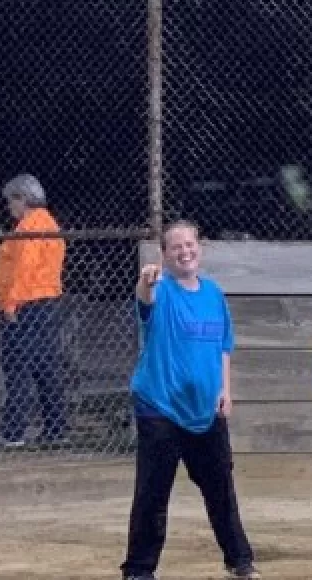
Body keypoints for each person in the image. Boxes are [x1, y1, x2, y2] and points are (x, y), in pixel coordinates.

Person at [120, 220, 259, 580]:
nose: (185, 252)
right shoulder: (161, 289)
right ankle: (139, 570)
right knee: (153, 492)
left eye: (190, 244)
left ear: (200, 247)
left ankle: (240, 561)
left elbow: (223, 346)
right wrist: (146, 281)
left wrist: (225, 390)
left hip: (205, 409)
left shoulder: (213, 294)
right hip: (160, 407)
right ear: (165, 254)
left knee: (221, 489)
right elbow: (145, 299)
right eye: (176, 247)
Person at [0, 173, 68, 447]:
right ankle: (56, 427)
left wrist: (11, 303)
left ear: (22, 199)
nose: (9, 207)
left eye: (11, 201)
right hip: (47, 301)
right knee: (46, 365)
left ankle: (14, 431)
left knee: (18, 366)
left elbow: (24, 268)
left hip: (27, 303)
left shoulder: (29, 227)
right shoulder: (49, 224)